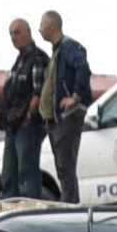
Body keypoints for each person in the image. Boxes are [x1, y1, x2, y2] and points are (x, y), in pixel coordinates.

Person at [38, 11, 93, 204]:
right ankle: (69, 204)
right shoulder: (57, 50)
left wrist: (76, 96)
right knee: (62, 167)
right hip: (55, 119)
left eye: (42, 25)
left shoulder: (69, 47)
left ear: (52, 27)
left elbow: (83, 68)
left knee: (66, 166)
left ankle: (71, 208)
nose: (39, 29)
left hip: (67, 117)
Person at [0, 18, 49, 197]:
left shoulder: (38, 59)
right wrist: (0, 114)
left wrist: (28, 117)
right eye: (11, 33)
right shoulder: (18, 62)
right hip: (12, 125)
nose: (14, 37)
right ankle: (10, 211)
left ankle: (29, 209)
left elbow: (39, 92)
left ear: (28, 32)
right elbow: (9, 93)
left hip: (28, 126)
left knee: (26, 172)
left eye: (17, 32)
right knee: (8, 174)